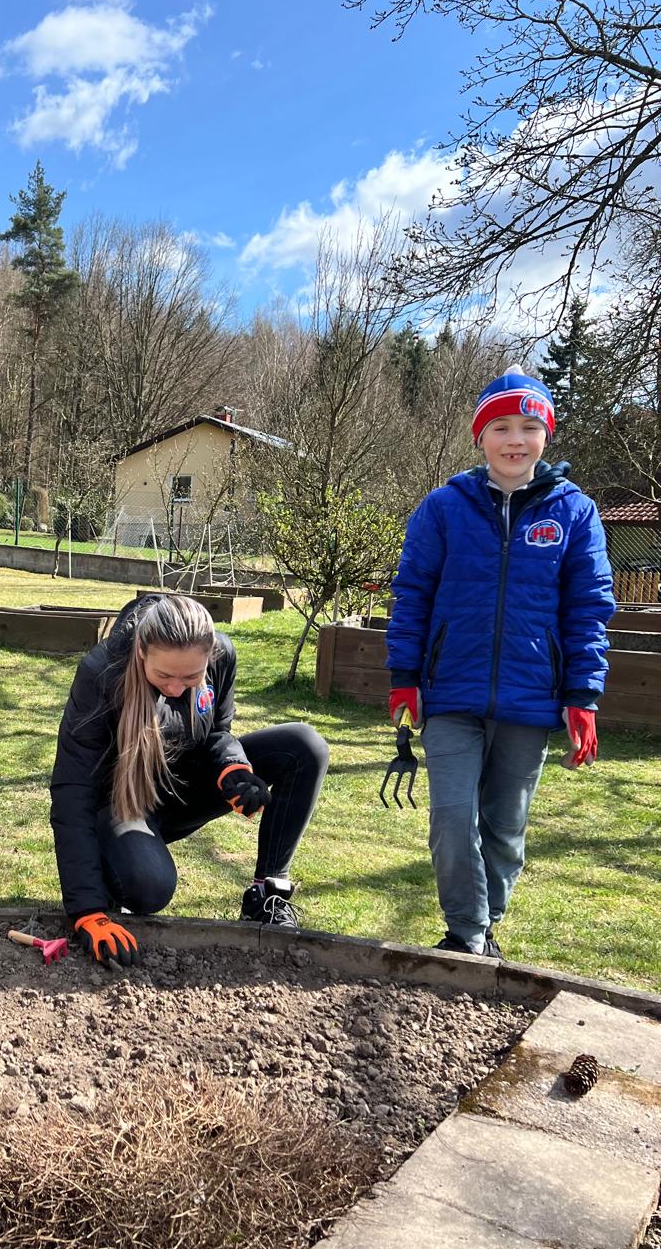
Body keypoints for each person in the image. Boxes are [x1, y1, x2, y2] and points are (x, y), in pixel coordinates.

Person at [385, 370, 615, 957]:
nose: (516, 439)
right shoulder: (443, 508)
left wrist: (582, 696)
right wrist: (404, 677)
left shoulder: (575, 511)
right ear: (480, 436)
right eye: (502, 427)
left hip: (531, 697)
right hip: (449, 693)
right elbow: (412, 593)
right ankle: (467, 935)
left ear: (546, 436)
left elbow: (589, 607)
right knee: (452, 817)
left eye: (530, 427)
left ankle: (483, 928)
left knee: (505, 828)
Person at [50, 593, 330, 965]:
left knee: (304, 746)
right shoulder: (102, 673)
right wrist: (87, 910)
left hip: (181, 790)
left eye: (191, 677)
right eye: (164, 676)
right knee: (149, 887)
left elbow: (217, 733)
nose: (176, 688)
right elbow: (73, 789)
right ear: (141, 652)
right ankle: (114, 866)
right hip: (122, 804)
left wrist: (234, 770)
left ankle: (267, 895)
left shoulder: (221, 657)